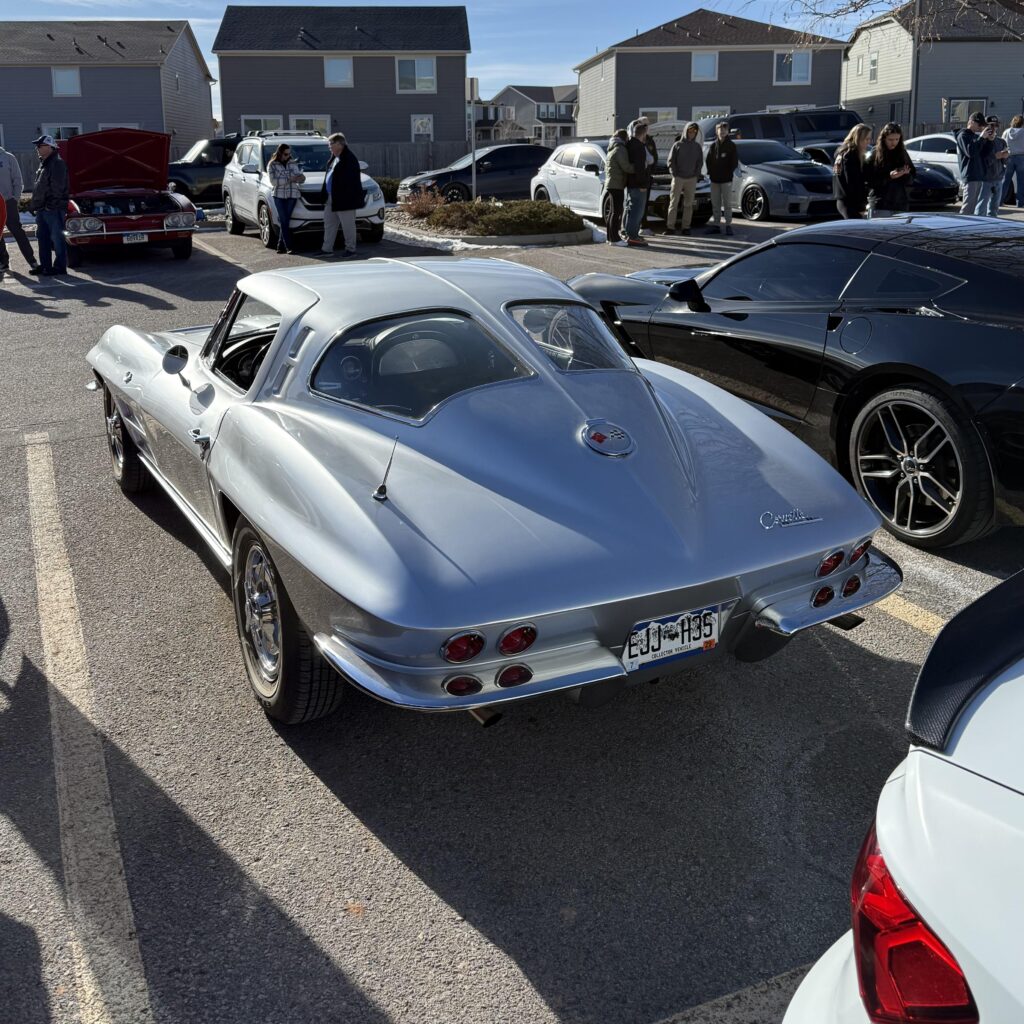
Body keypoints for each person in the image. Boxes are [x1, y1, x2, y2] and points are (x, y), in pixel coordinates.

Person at [28, 135, 70, 277]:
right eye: (37, 146)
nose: (37, 148)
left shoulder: (57, 163)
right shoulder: (44, 163)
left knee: (57, 239)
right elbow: (40, 188)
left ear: (50, 147)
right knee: (43, 238)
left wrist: (50, 206)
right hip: (43, 209)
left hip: (53, 209)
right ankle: (46, 266)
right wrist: (35, 205)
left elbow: (58, 188)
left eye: (40, 146)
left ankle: (59, 267)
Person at [319, 132, 362, 259]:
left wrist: (341, 194)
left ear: (339, 144)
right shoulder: (334, 157)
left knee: (348, 226)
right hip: (331, 198)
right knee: (329, 225)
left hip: (344, 199)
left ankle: (351, 250)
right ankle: (327, 250)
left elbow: (350, 182)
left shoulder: (349, 159)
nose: (329, 146)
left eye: (331, 144)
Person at [0, 145, 39, 276]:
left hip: (7, 202)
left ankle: (32, 261)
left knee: (17, 232)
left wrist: (14, 199)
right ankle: (3, 262)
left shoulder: (8, 158)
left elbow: (17, 180)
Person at [865, 122, 915, 215]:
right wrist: (889, 177)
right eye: (890, 139)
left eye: (897, 139)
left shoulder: (902, 153)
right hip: (880, 203)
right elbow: (868, 180)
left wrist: (905, 174)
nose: (894, 143)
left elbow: (912, 178)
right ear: (884, 138)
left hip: (900, 203)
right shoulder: (875, 154)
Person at [665, 123, 704, 235]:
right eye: (690, 131)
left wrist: (696, 174)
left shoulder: (697, 147)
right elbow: (670, 161)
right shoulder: (677, 145)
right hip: (678, 178)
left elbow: (700, 162)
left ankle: (686, 227)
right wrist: (674, 174)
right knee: (674, 203)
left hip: (691, 179)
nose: (692, 134)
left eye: (694, 132)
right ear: (685, 131)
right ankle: (670, 227)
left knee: (689, 204)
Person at [267, 143, 305, 254]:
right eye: (285, 154)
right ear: (280, 153)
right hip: (278, 195)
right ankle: (289, 246)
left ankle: (280, 246)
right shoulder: (272, 164)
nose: (288, 156)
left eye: (289, 154)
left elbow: (300, 178)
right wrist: (289, 179)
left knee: (285, 220)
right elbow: (273, 181)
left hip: (292, 194)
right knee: (284, 220)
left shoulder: (293, 163)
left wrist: (300, 177)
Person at [704, 121, 738, 235]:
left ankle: (728, 225)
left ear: (727, 131)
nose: (722, 131)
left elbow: (734, 162)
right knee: (716, 204)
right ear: (716, 131)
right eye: (720, 129)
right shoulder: (713, 145)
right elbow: (708, 161)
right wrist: (711, 173)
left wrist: (727, 174)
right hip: (714, 180)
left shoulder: (731, 146)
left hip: (726, 180)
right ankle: (716, 225)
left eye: (725, 129)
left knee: (727, 204)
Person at [956, 112, 992, 215]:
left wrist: (989, 141)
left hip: (977, 175)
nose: (981, 127)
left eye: (982, 125)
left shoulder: (975, 136)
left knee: (972, 207)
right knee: (967, 207)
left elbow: (984, 154)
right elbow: (970, 152)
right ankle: (961, 224)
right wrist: (981, 138)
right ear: (971, 122)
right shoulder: (963, 135)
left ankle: (967, 224)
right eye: (979, 124)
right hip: (970, 175)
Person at [833, 123, 872, 219]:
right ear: (858, 139)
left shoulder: (842, 152)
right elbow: (853, 182)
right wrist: (860, 205)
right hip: (851, 202)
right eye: (866, 139)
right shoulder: (851, 155)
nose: (869, 142)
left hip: (843, 200)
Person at [623, 120, 652, 247]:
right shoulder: (639, 147)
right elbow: (639, 168)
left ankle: (627, 233)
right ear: (643, 134)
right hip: (638, 184)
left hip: (630, 183)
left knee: (630, 209)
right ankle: (633, 236)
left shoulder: (629, 144)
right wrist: (642, 184)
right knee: (637, 211)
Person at [602, 129, 630, 246]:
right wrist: (639, 168)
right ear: (624, 138)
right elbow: (626, 167)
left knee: (612, 212)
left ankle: (610, 237)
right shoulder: (620, 149)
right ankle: (615, 239)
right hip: (617, 184)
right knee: (616, 212)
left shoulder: (611, 148)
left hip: (611, 183)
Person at [980, 115, 1008, 217]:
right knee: (981, 208)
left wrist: (1005, 156)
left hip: (998, 178)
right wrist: (995, 156)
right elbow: (980, 160)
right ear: (984, 126)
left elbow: (1005, 161)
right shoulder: (981, 141)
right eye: (990, 125)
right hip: (985, 179)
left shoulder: (1001, 141)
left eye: (996, 125)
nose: (993, 128)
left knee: (994, 210)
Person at [1003, 114, 1024, 209]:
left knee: (1005, 180)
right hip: (1021, 157)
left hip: (1008, 156)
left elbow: (1002, 143)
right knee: (1021, 181)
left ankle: (1000, 201)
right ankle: (1020, 203)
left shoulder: (1007, 132)